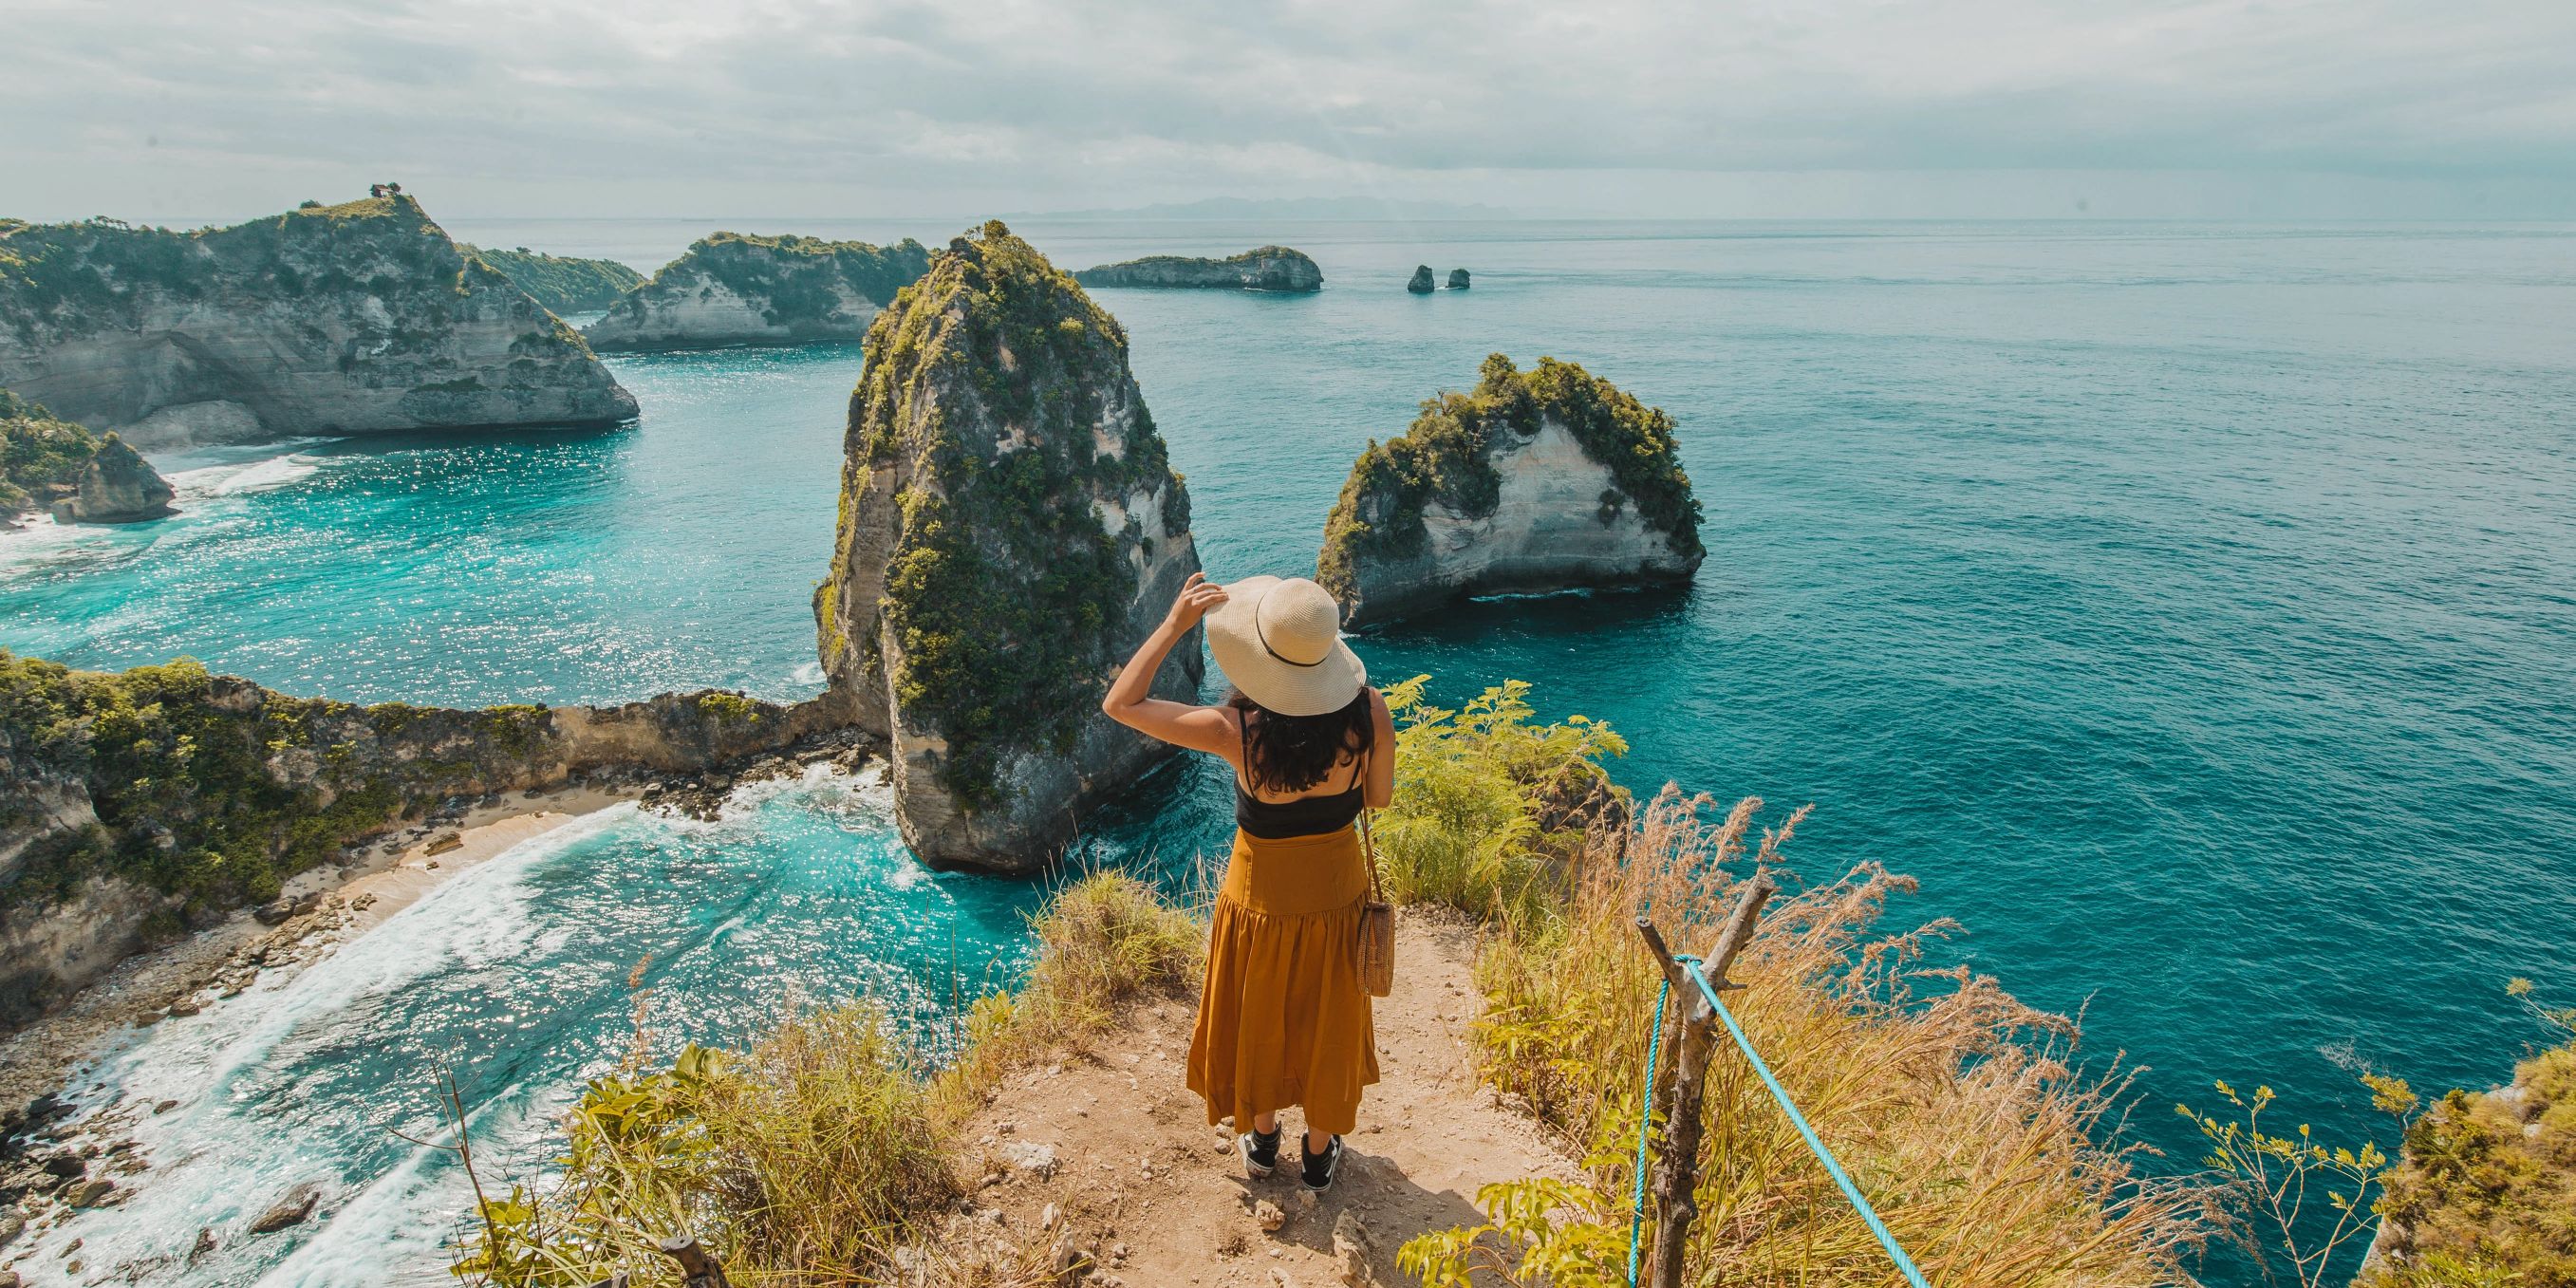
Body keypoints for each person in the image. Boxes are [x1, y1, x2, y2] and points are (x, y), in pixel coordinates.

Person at [1101, 571, 1393, 1192]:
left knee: (1262, 1013)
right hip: (1337, 897)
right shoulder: (1370, 712)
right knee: (1326, 1019)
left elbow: (1121, 703)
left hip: (1258, 901)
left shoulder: (1238, 733)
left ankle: (1262, 1142)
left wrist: (1175, 623)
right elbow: (1380, 798)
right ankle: (1319, 1153)